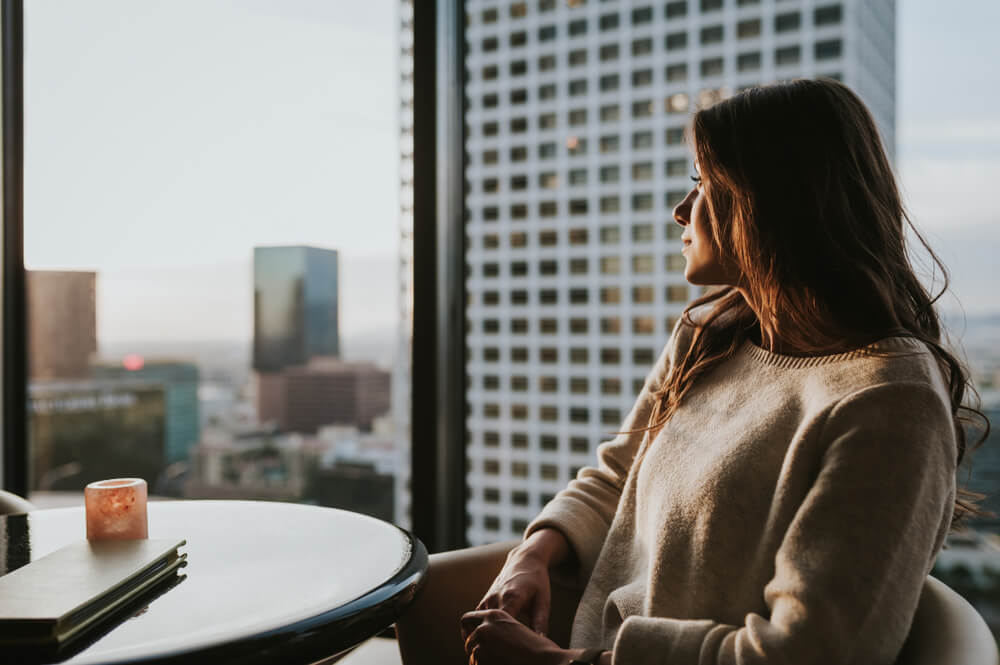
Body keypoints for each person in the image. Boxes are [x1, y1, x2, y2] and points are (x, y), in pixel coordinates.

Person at [457, 78, 989, 665]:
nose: (679, 210)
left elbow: (808, 652)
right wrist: (535, 551)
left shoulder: (889, 401)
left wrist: (556, 663)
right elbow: (618, 475)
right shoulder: (710, 335)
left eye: (701, 183)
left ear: (774, 199)